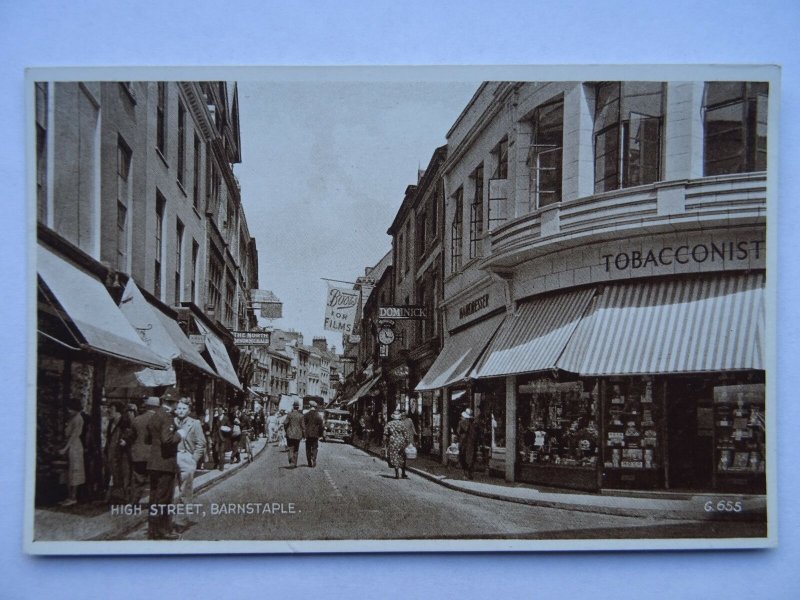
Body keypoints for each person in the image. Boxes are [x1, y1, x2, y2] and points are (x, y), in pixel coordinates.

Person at [145, 396, 185, 540]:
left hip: (154, 462)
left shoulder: (155, 415)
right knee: (164, 498)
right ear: (174, 402)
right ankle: (163, 530)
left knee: (154, 497)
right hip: (166, 463)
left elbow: (148, 438)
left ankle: (153, 529)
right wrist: (179, 434)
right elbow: (167, 440)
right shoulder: (167, 417)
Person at [173, 397, 206, 532]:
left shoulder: (195, 423)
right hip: (171, 458)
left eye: (184, 408)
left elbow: (201, 443)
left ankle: (181, 522)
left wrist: (193, 460)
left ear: (189, 410)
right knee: (172, 492)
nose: (181, 411)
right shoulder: (172, 421)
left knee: (184, 492)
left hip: (187, 459)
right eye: (179, 408)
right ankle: (171, 520)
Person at [129, 396, 158, 504]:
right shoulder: (158, 420)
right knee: (154, 483)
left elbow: (131, 436)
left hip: (139, 455)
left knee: (137, 481)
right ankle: (153, 505)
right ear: (157, 407)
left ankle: (133, 504)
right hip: (154, 455)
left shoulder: (137, 419)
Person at [58, 398, 86, 506]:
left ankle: (73, 497)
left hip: (75, 446)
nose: (68, 411)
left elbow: (74, 436)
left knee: (75, 471)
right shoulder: (73, 418)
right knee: (68, 472)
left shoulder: (78, 419)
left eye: (70, 409)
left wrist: (65, 448)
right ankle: (69, 496)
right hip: (71, 445)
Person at [105, 401, 132, 503]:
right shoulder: (111, 422)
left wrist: (125, 441)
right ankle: (110, 496)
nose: (108, 411)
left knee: (123, 474)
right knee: (113, 474)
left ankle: (125, 497)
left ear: (118, 411)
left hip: (122, 454)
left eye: (111, 409)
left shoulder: (125, 423)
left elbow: (130, 436)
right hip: (112, 454)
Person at [383, 408, 412, 479]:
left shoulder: (389, 424)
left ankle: (396, 474)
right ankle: (403, 473)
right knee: (402, 457)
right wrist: (407, 443)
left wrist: (384, 444)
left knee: (394, 457)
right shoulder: (402, 424)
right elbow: (406, 434)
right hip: (401, 442)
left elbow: (385, 435)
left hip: (393, 442)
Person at [457, 408, 480, 480]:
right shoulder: (474, 425)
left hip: (464, 443)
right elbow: (477, 435)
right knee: (471, 458)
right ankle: (470, 474)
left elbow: (458, 432)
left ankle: (465, 474)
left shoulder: (461, 423)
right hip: (472, 443)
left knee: (463, 457)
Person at [283, 401, 305, 468]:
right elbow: (303, 426)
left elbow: (285, 423)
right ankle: (294, 463)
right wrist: (304, 435)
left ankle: (291, 462)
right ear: (298, 407)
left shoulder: (289, 414)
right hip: (298, 435)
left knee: (290, 448)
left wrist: (286, 430)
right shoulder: (301, 416)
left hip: (290, 434)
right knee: (296, 449)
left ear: (293, 407)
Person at [302, 400, 324, 467]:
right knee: (315, 447)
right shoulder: (318, 415)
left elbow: (303, 425)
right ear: (315, 407)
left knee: (308, 448)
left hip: (308, 435)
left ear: (309, 406)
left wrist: (303, 435)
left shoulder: (306, 415)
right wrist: (320, 435)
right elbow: (321, 426)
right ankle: (313, 458)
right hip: (315, 434)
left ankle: (309, 462)